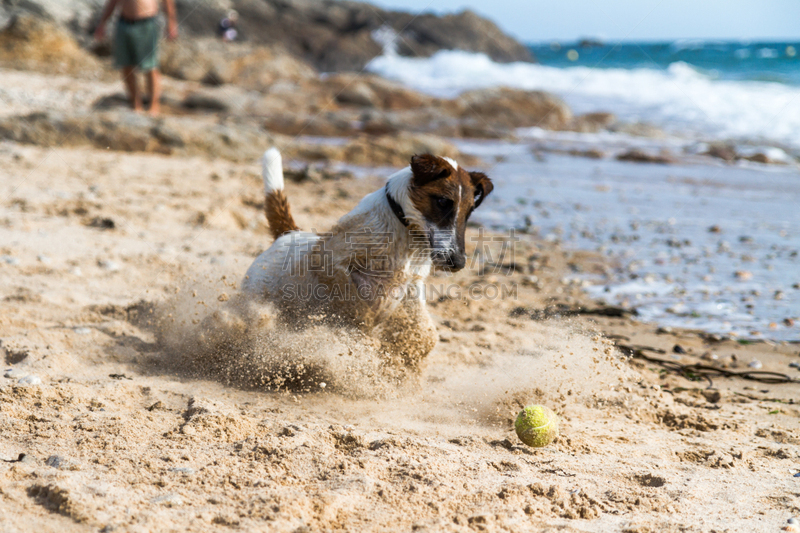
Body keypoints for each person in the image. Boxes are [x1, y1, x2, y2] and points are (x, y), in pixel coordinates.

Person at [94, 0, 178, 116]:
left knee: (150, 66)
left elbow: (167, 1)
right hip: (124, 22)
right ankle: (135, 104)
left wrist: (171, 23)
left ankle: (153, 105)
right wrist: (102, 23)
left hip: (146, 23)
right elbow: (113, 2)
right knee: (126, 65)